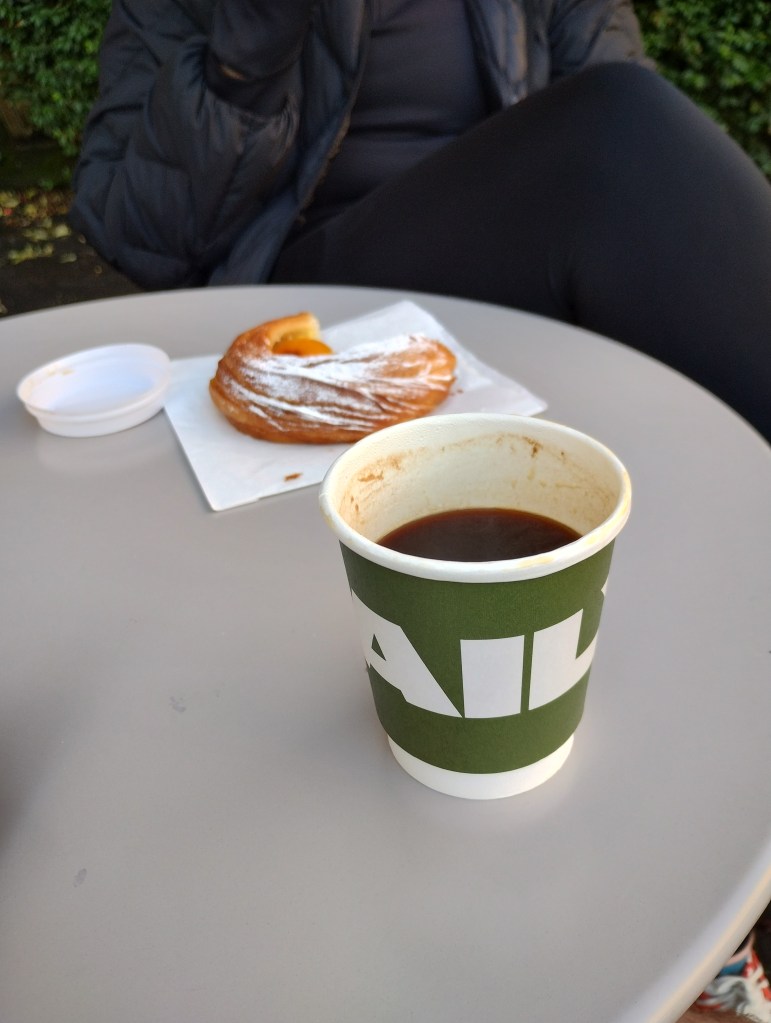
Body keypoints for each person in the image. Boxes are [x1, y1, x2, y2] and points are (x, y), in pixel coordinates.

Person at [70, 1, 771, 443]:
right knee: (620, 122)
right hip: (306, 296)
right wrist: (241, 56)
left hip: (501, 268)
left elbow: (633, 168)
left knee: (624, 121)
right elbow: (139, 237)